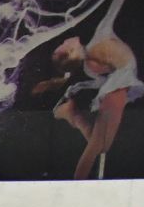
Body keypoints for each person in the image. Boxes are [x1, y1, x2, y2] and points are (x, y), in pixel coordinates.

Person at [39, 29, 140, 179]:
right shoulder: (94, 52)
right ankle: (77, 187)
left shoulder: (91, 60)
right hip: (117, 89)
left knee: (100, 146)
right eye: (64, 44)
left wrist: (78, 87)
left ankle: (72, 115)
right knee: (97, 148)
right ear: (72, 52)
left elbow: (101, 80)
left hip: (118, 87)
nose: (65, 41)